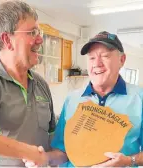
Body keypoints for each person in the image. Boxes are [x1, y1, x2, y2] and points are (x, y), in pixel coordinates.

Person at [23, 31, 143, 167]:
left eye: (105, 56)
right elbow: (62, 152)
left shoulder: (139, 98)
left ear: (122, 60)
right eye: (92, 58)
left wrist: (129, 160)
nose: (97, 63)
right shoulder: (72, 99)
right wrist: (44, 158)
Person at [0, 0, 56, 167]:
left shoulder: (41, 83)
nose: (40, 40)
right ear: (7, 40)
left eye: (39, 32)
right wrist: (28, 152)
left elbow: (52, 137)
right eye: (32, 32)